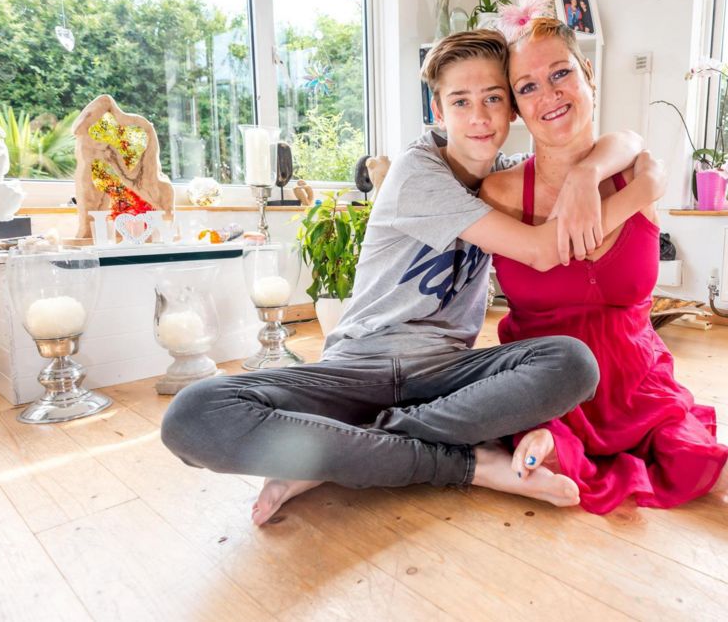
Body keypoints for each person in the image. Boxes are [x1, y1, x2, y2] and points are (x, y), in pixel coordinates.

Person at [160, 29, 667, 525]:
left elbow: (629, 141)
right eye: (461, 102)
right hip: (358, 367)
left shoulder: (506, 176)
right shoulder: (419, 173)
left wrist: (593, 173)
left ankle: (342, 451)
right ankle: (464, 465)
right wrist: (640, 191)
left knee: (572, 363)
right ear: (438, 112)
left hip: (445, 376)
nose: (480, 117)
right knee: (194, 413)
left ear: (513, 108)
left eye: (493, 98)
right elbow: (539, 252)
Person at [480, 17, 728, 515]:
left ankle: (715, 462)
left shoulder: (639, 171)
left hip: (636, 374)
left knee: (672, 430)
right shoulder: (503, 193)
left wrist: (589, 173)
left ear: (588, 74)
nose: (549, 95)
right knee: (545, 433)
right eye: (527, 87)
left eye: (560, 74)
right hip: (546, 376)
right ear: (515, 107)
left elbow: (636, 148)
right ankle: (547, 444)